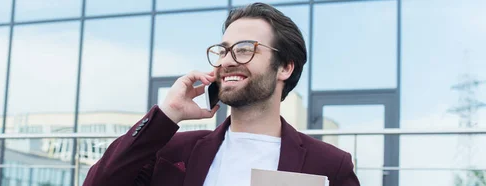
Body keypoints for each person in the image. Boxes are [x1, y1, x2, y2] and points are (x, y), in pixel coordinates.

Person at [82, 2, 360, 186]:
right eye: (223, 50)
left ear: (285, 67)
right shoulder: (172, 151)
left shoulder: (329, 165)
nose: (227, 61)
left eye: (244, 49)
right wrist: (168, 114)